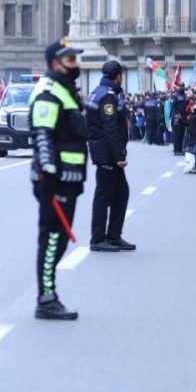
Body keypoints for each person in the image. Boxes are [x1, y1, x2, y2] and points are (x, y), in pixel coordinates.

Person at [29, 39, 88, 320]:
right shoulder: (49, 92)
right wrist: (47, 174)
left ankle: (47, 295)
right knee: (53, 238)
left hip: (69, 178)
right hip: (55, 181)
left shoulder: (66, 90)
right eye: (71, 60)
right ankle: (46, 298)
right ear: (56, 64)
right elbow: (42, 135)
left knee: (59, 239)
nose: (77, 65)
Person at [85, 61, 135, 253]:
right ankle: (98, 239)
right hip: (107, 154)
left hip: (105, 151)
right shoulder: (107, 96)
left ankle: (113, 236)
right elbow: (110, 126)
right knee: (104, 196)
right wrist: (119, 155)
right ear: (118, 76)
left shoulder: (99, 92)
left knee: (121, 193)